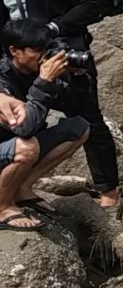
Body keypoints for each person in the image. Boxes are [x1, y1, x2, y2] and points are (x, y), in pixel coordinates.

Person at [0, 0, 119, 209]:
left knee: (88, 120)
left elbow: (90, 4)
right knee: (25, 122)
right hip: (19, 62)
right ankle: (19, 188)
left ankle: (108, 192)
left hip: (63, 54)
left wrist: (52, 28)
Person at [0, 20, 91, 230]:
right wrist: (44, 81)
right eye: (37, 50)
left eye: (46, 49)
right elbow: (24, 128)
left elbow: (75, 108)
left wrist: (77, 78)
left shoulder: (37, 71)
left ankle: (22, 187)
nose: (44, 55)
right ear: (15, 51)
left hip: (13, 149)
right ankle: (3, 207)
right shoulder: (3, 79)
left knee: (79, 127)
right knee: (27, 145)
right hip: (11, 148)